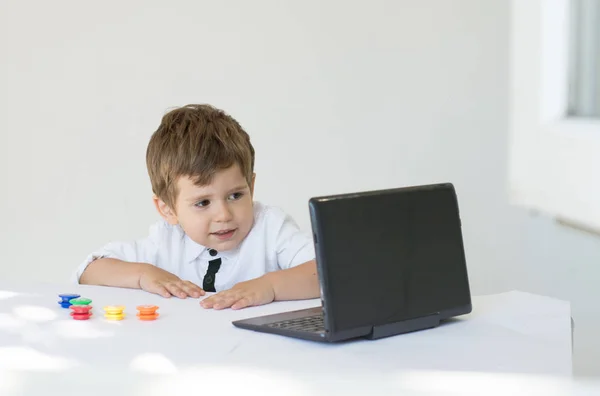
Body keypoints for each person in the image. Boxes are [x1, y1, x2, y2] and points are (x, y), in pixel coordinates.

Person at [74, 104, 320, 310]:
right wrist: (143, 275)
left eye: (235, 195)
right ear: (168, 209)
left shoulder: (271, 228)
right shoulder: (166, 240)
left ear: (251, 187)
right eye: (203, 203)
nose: (224, 215)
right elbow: (89, 271)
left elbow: (326, 274)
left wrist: (270, 286)